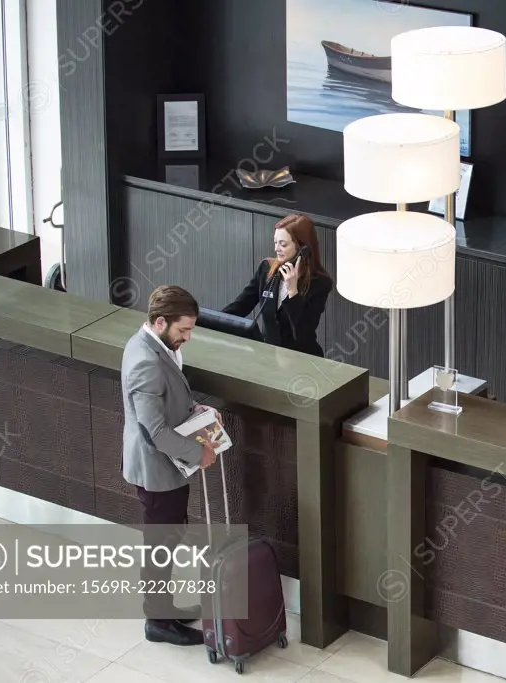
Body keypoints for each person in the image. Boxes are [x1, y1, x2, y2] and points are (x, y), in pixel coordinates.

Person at [121, 284, 222, 646]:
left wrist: (197, 410)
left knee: (168, 538)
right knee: (161, 545)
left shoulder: (155, 345)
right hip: (157, 469)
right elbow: (156, 433)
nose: (188, 337)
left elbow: (169, 403)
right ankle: (159, 623)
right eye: (183, 330)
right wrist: (199, 454)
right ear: (161, 322)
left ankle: (164, 610)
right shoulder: (145, 362)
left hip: (167, 468)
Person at [223, 213, 332, 356]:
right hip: (268, 358)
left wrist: (293, 292)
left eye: (283, 244)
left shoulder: (320, 283)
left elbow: (303, 335)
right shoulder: (266, 269)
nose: (276, 249)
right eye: (275, 242)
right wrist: (206, 322)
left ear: (302, 248)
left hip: (303, 360)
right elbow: (240, 307)